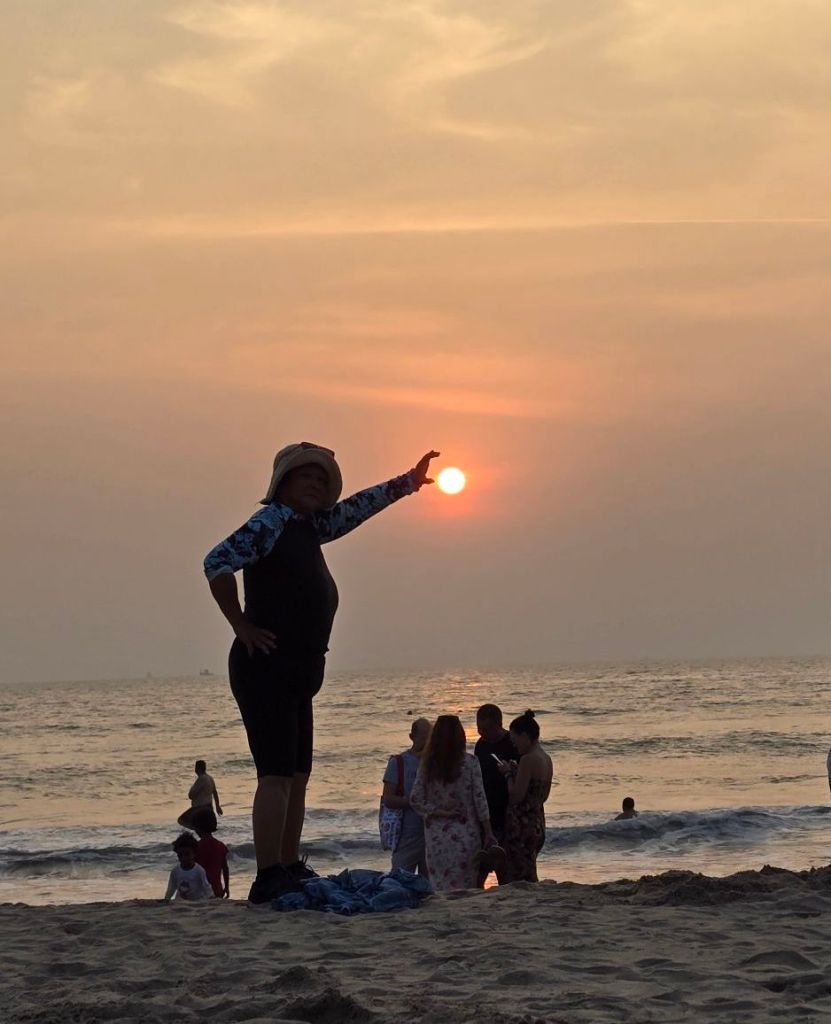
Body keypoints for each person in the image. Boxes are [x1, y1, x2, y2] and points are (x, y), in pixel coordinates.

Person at [204, 443, 439, 904]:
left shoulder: (312, 526)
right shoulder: (271, 522)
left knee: (297, 776)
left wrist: (408, 483)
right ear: (283, 483)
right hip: (265, 666)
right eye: (305, 476)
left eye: (321, 479)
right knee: (274, 775)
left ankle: (288, 864)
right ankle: (268, 873)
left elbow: (357, 509)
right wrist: (240, 625)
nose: (314, 484)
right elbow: (216, 562)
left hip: (300, 671)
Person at [410, 714, 496, 891]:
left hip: (436, 836)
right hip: (466, 834)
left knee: (440, 885)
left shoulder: (427, 764)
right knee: (466, 886)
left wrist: (438, 811)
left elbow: (415, 799)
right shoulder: (471, 762)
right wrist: (488, 831)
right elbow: (480, 800)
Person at [497, 710, 552, 883]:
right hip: (537, 821)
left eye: (515, 740)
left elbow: (516, 796)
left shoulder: (528, 759)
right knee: (529, 867)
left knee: (519, 873)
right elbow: (542, 795)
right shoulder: (546, 758)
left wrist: (507, 774)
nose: (515, 746)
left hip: (522, 825)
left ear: (525, 736)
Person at [473, 703, 518, 885]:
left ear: (499, 724)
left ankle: (505, 887)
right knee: (482, 861)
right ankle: (478, 888)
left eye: (486, 729)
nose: (482, 733)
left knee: (504, 861)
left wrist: (510, 771)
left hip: (508, 809)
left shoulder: (512, 743)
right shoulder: (480, 745)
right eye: (479, 728)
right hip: (487, 809)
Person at [381, 718, 432, 876]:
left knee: (431, 884)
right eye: (423, 737)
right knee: (398, 880)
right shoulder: (398, 762)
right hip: (406, 835)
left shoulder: (436, 763)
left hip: (432, 834)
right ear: (412, 737)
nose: (426, 741)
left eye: (429, 737)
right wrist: (415, 803)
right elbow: (388, 799)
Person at [163, 832, 214, 901]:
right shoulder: (175, 871)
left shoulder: (199, 871)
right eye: (180, 855)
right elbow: (171, 888)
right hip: (181, 902)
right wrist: (166, 899)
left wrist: (211, 899)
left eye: (187, 854)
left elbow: (207, 887)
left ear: (194, 853)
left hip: (196, 902)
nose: (183, 858)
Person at [193, 808, 230, 898]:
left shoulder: (196, 847)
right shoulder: (221, 846)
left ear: (197, 828)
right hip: (217, 890)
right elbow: (225, 868)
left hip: (200, 891)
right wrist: (227, 887)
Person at [177, 760, 223, 828]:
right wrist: (217, 806)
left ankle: (195, 829)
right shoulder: (210, 778)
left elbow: (191, 795)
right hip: (209, 807)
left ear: (197, 769)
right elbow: (215, 793)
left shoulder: (201, 779)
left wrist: (192, 787)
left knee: (181, 820)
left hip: (199, 808)